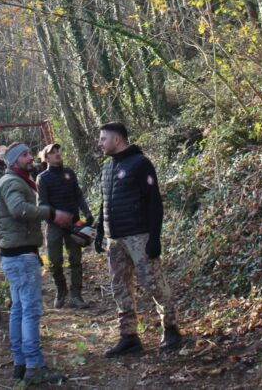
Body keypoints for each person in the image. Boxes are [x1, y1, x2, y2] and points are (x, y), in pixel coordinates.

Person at [94, 122, 183, 356]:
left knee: (153, 282)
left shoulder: (140, 164)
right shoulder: (106, 168)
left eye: (103, 139)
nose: (99, 143)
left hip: (139, 236)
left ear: (117, 139)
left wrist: (155, 238)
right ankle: (129, 337)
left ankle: (171, 329)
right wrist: (100, 231)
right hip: (115, 239)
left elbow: (154, 202)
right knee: (119, 286)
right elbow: (106, 201)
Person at [0, 142, 72, 385]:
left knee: (19, 310)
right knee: (30, 311)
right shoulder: (12, 182)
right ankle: (34, 367)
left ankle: (21, 363)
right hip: (21, 257)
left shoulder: (15, 180)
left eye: (30, 153)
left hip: (18, 254)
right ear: (15, 160)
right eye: (25, 155)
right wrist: (50, 213)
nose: (31, 158)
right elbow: (19, 210)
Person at [36, 143, 93, 309]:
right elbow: (42, 204)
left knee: (76, 260)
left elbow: (78, 195)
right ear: (46, 159)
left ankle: (77, 295)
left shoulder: (69, 173)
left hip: (75, 222)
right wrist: (55, 217)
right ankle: (61, 291)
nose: (56, 154)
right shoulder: (43, 178)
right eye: (52, 153)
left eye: (57, 151)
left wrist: (87, 213)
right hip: (54, 225)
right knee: (54, 261)